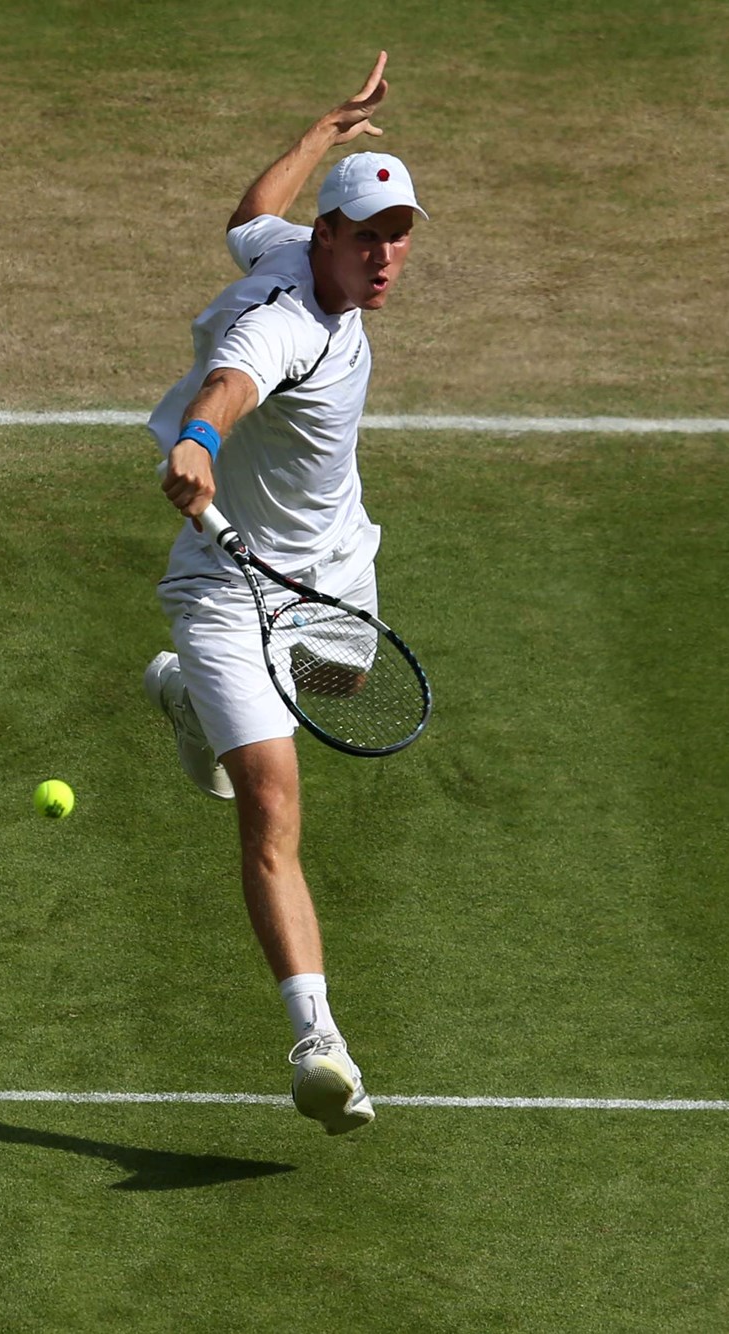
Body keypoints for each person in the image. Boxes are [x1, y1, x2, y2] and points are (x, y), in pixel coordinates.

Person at [142, 52, 424, 1135]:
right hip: (227, 576)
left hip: (329, 561)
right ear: (329, 243)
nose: (385, 256)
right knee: (270, 800)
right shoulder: (284, 324)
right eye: (366, 238)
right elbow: (229, 381)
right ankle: (317, 1036)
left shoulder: (289, 247)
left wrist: (322, 132)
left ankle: (180, 699)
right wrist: (201, 441)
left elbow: (242, 214)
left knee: (338, 682)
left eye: (396, 235)